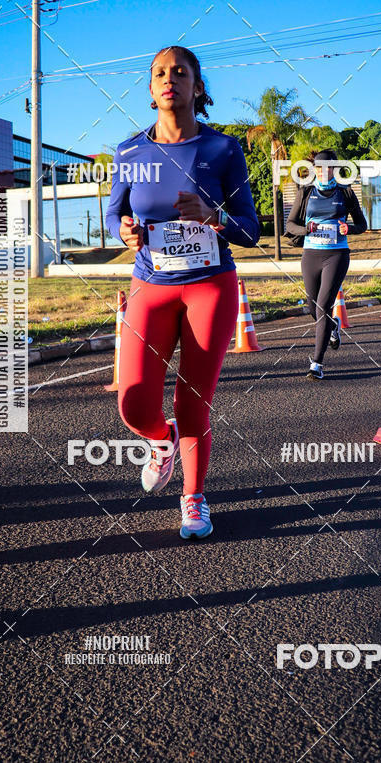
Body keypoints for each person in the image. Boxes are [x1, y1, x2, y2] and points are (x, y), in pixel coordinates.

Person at [105, 45, 260, 539]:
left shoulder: (223, 149)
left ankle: (193, 497)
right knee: (133, 402)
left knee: (193, 403)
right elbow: (114, 213)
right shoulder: (130, 151)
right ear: (151, 91)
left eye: (180, 72)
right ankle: (160, 440)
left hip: (209, 288)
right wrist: (124, 231)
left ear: (198, 87)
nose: (169, 79)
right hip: (151, 285)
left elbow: (252, 231)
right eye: (158, 73)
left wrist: (213, 217)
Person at [284, 149, 367, 379]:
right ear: (314, 169)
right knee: (312, 307)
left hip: (336, 255)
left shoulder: (346, 193)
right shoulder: (306, 192)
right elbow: (290, 224)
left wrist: (348, 228)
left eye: (329, 167)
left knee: (322, 305)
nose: (324, 171)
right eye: (320, 167)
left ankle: (317, 365)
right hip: (310, 254)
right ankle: (333, 326)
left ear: (335, 168)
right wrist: (305, 229)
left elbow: (362, 224)